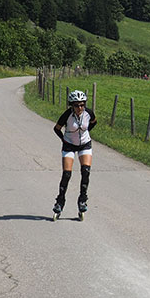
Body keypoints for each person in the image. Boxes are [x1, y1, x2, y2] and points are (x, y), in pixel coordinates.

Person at [52, 90, 97, 219]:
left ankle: (82, 199)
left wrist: (86, 133)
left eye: (82, 105)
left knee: (86, 171)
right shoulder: (67, 115)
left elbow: (94, 122)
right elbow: (56, 128)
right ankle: (60, 202)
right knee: (67, 174)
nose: (80, 108)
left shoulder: (88, 113)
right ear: (71, 105)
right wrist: (64, 139)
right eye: (77, 105)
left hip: (84, 144)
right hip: (69, 145)